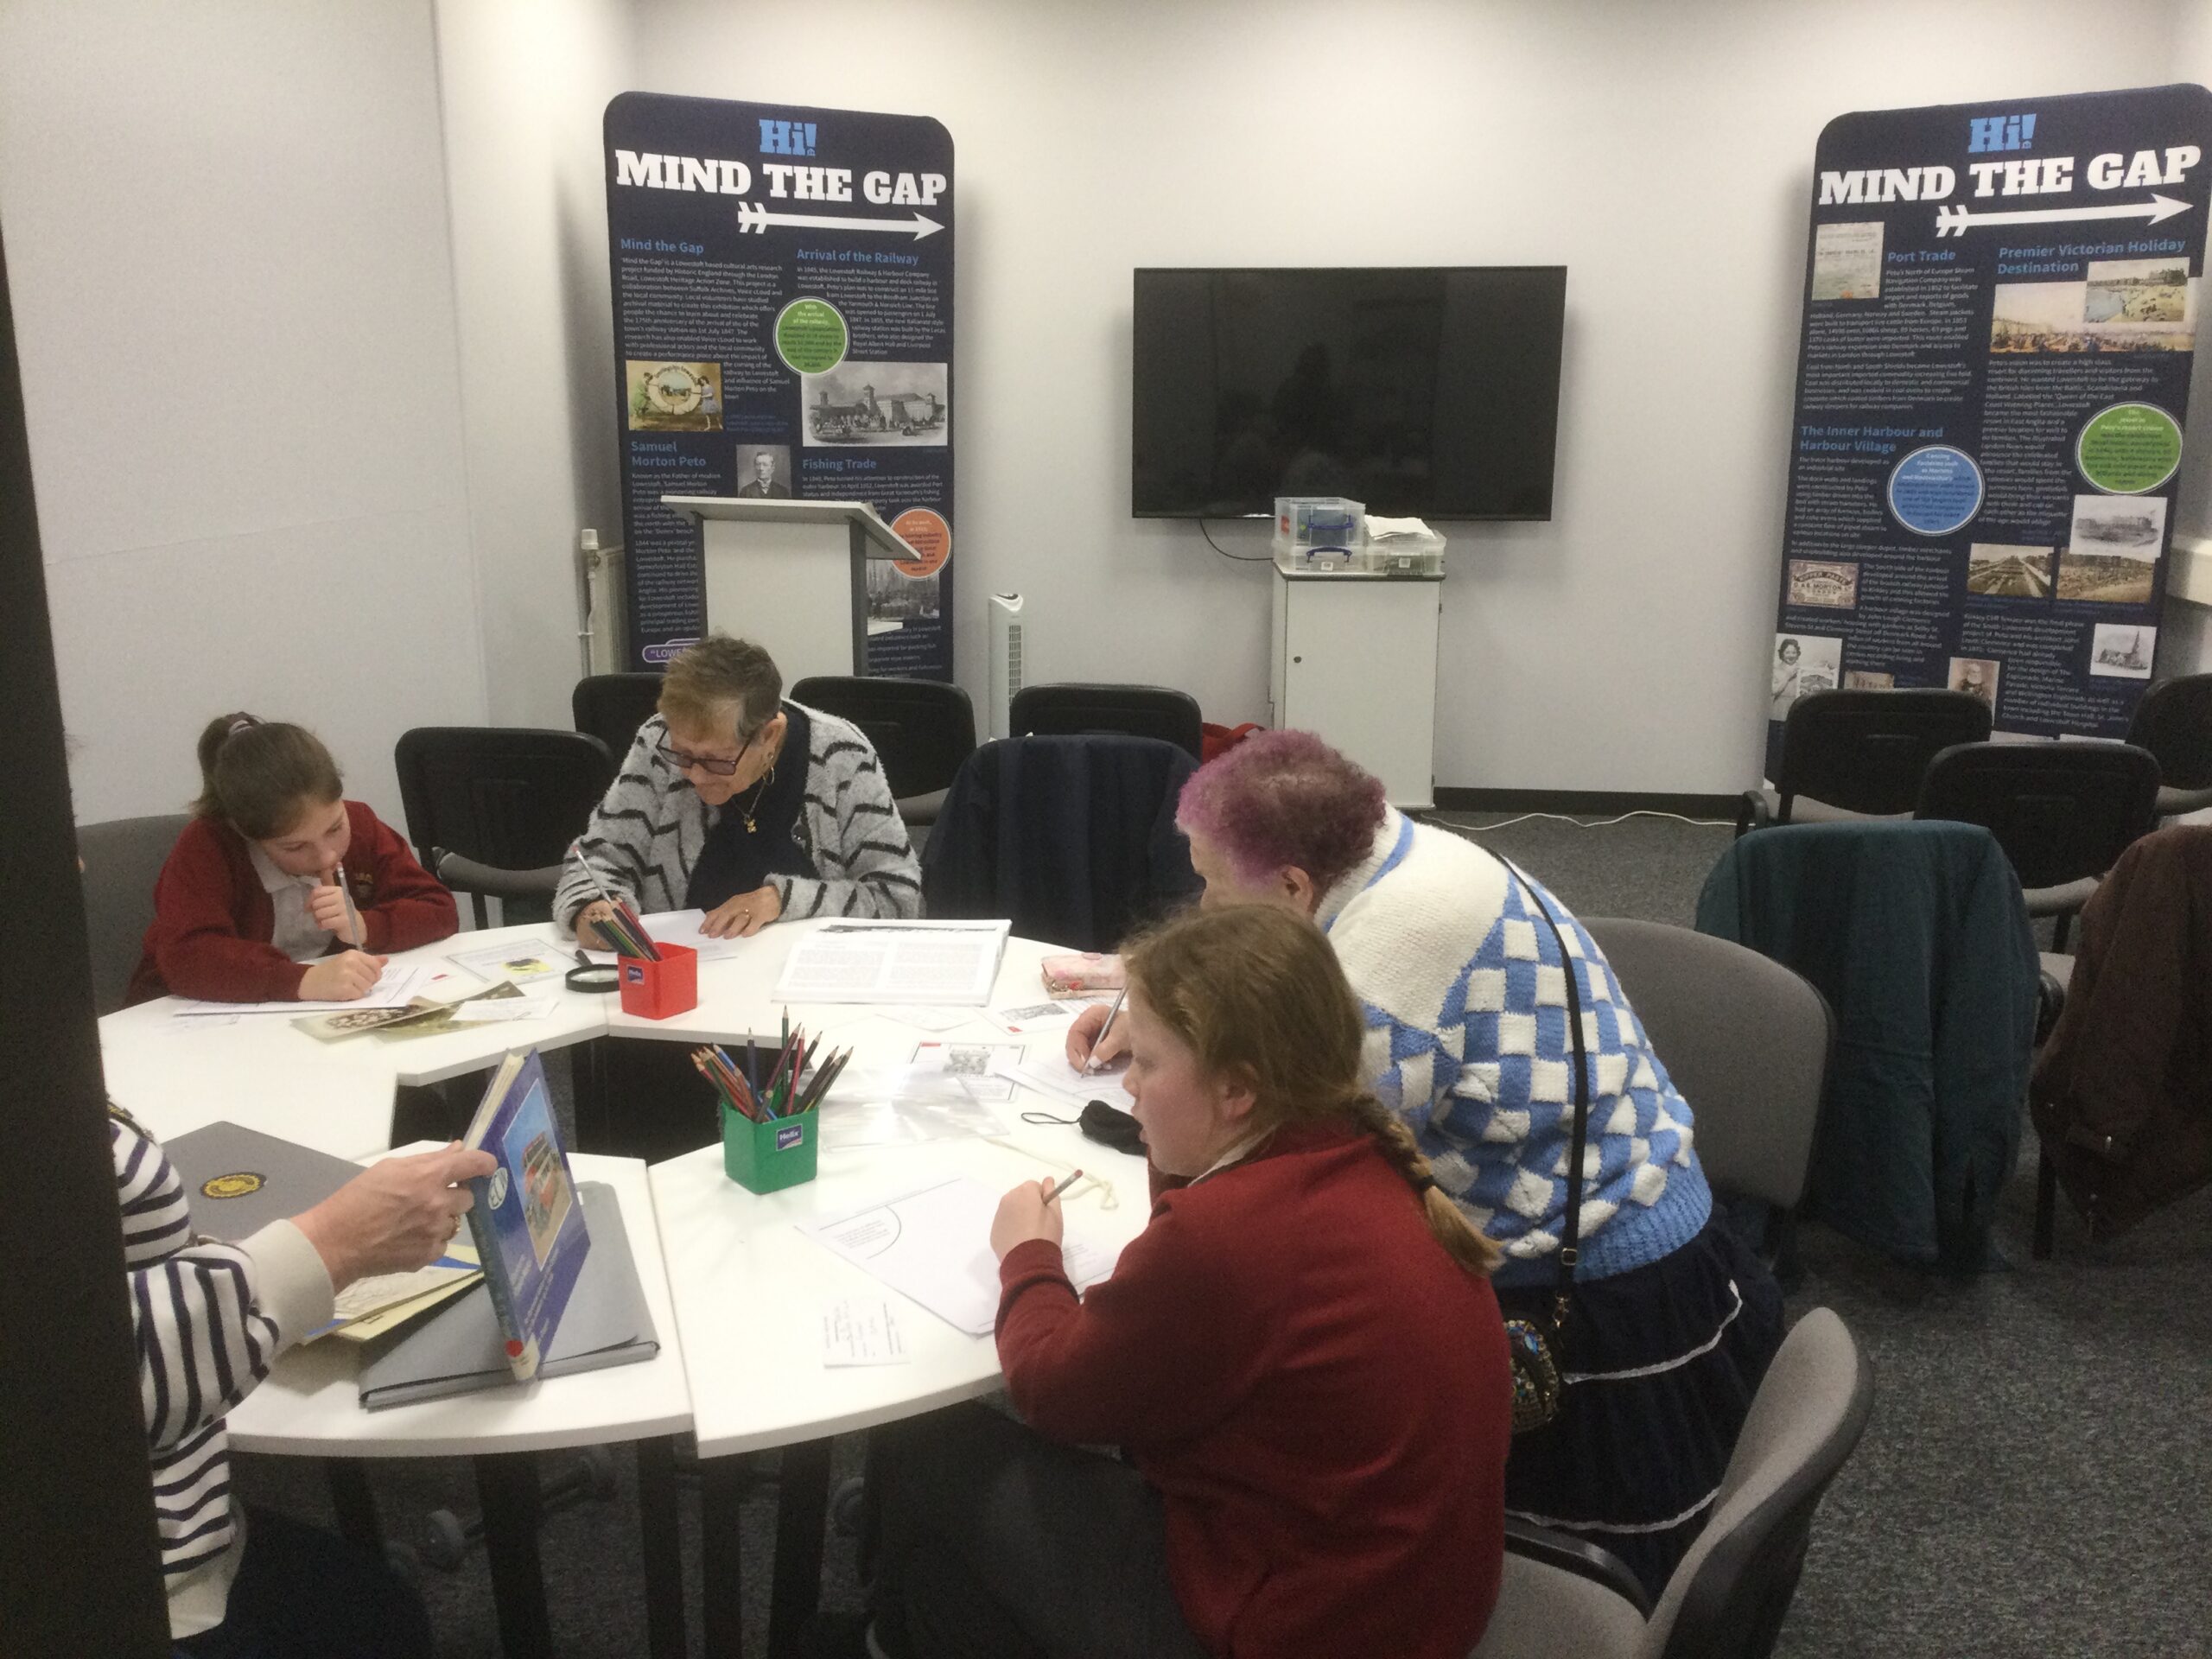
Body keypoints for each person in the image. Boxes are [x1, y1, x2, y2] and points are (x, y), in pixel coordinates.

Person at [1066, 730, 1783, 1599]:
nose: (1204, 904)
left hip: (1596, 1299)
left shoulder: (1384, 977)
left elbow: (1252, 1177)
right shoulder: (1392, 851)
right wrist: (1142, 1017)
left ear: (1291, 886)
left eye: (1212, 885)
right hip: (1647, 1222)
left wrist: (1161, 1063)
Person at [864, 905, 1511, 1659]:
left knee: (922, 1445)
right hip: (1412, 1597)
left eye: (1148, 1062)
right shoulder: (1350, 1150)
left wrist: (1028, 1256)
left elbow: (1050, 1388)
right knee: (955, 1557)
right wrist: (1173, 1110)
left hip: (1295, 1623)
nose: (1128, 1085)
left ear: (1239, 1091)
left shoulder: (1225, 1238)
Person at [116, 1102, 493, 1653]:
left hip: (179, 1530)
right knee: (378, 1623)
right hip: (124, 1592)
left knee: (379, 1608)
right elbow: (84, 1378)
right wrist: (332, 1244)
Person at [554, 633, 920, 945]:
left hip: (802, 989)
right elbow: (598, 859)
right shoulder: (657, 740)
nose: (694, 776)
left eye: (716, 760)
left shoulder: (842, 754)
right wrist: (591, 908)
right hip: (683, 984)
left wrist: (781, 899)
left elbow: (897, 896)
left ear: (769, 735)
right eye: (683, 755)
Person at [128, 715, 457, 1005]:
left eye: (335, 828)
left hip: (310, 1018)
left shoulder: (361, 823)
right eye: (296, 847)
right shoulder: (209, 845)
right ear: (245, 832)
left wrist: (365, 925)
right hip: (189, 1025)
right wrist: (302, 980)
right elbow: (187, 957)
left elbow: (438, 909)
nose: (326, 854)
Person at [1770, 636, 1802, 720]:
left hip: (1797, 707)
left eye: (1794, 652)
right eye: (1787, 652)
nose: (1791, 655)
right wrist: (1788, 676)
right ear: (1782, 653)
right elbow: (1773, 691)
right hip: (1780, 707)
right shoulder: (1775, 670)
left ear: (1798, 654)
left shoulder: (1802, 670)